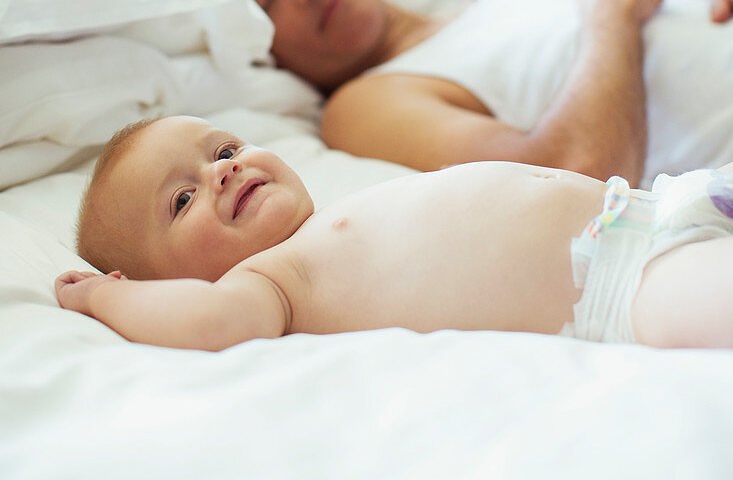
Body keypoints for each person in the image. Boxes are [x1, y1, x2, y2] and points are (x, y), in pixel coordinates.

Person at [166, 0, 733, 188]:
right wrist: (612, 9)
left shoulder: (478, 2)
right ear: (252, 46)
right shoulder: (364, 106)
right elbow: (572, 176)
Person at [57, 115, 733, 351]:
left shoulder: (334, 219)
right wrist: (103, 299)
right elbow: (209, 325)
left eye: (224, 148)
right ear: (163, 284)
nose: (224, 173)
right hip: (627, 285)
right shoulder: (268, 283)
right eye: (181, 199)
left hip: (661, 202)